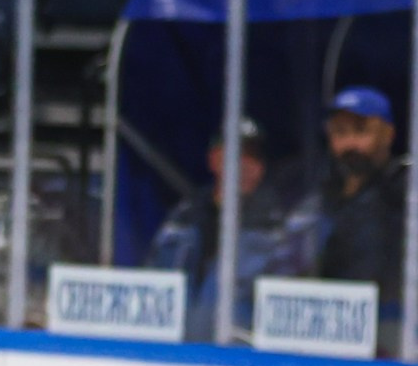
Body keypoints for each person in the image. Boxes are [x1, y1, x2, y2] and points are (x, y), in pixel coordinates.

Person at [145, 117, 321, 341]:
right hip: (176, 357)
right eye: (235, 154)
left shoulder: (279, 230)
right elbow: (153, 286)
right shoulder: (183, 219)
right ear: (213, 159)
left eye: (253, 157)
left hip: (240, 362)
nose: (245, 164)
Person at [310, 85, 408, 332]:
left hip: (391, 333)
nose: (350, 143)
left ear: (388, 134)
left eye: (361, 130)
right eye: (340, 132)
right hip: (325, 328)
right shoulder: (321, 197)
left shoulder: (406, 192)